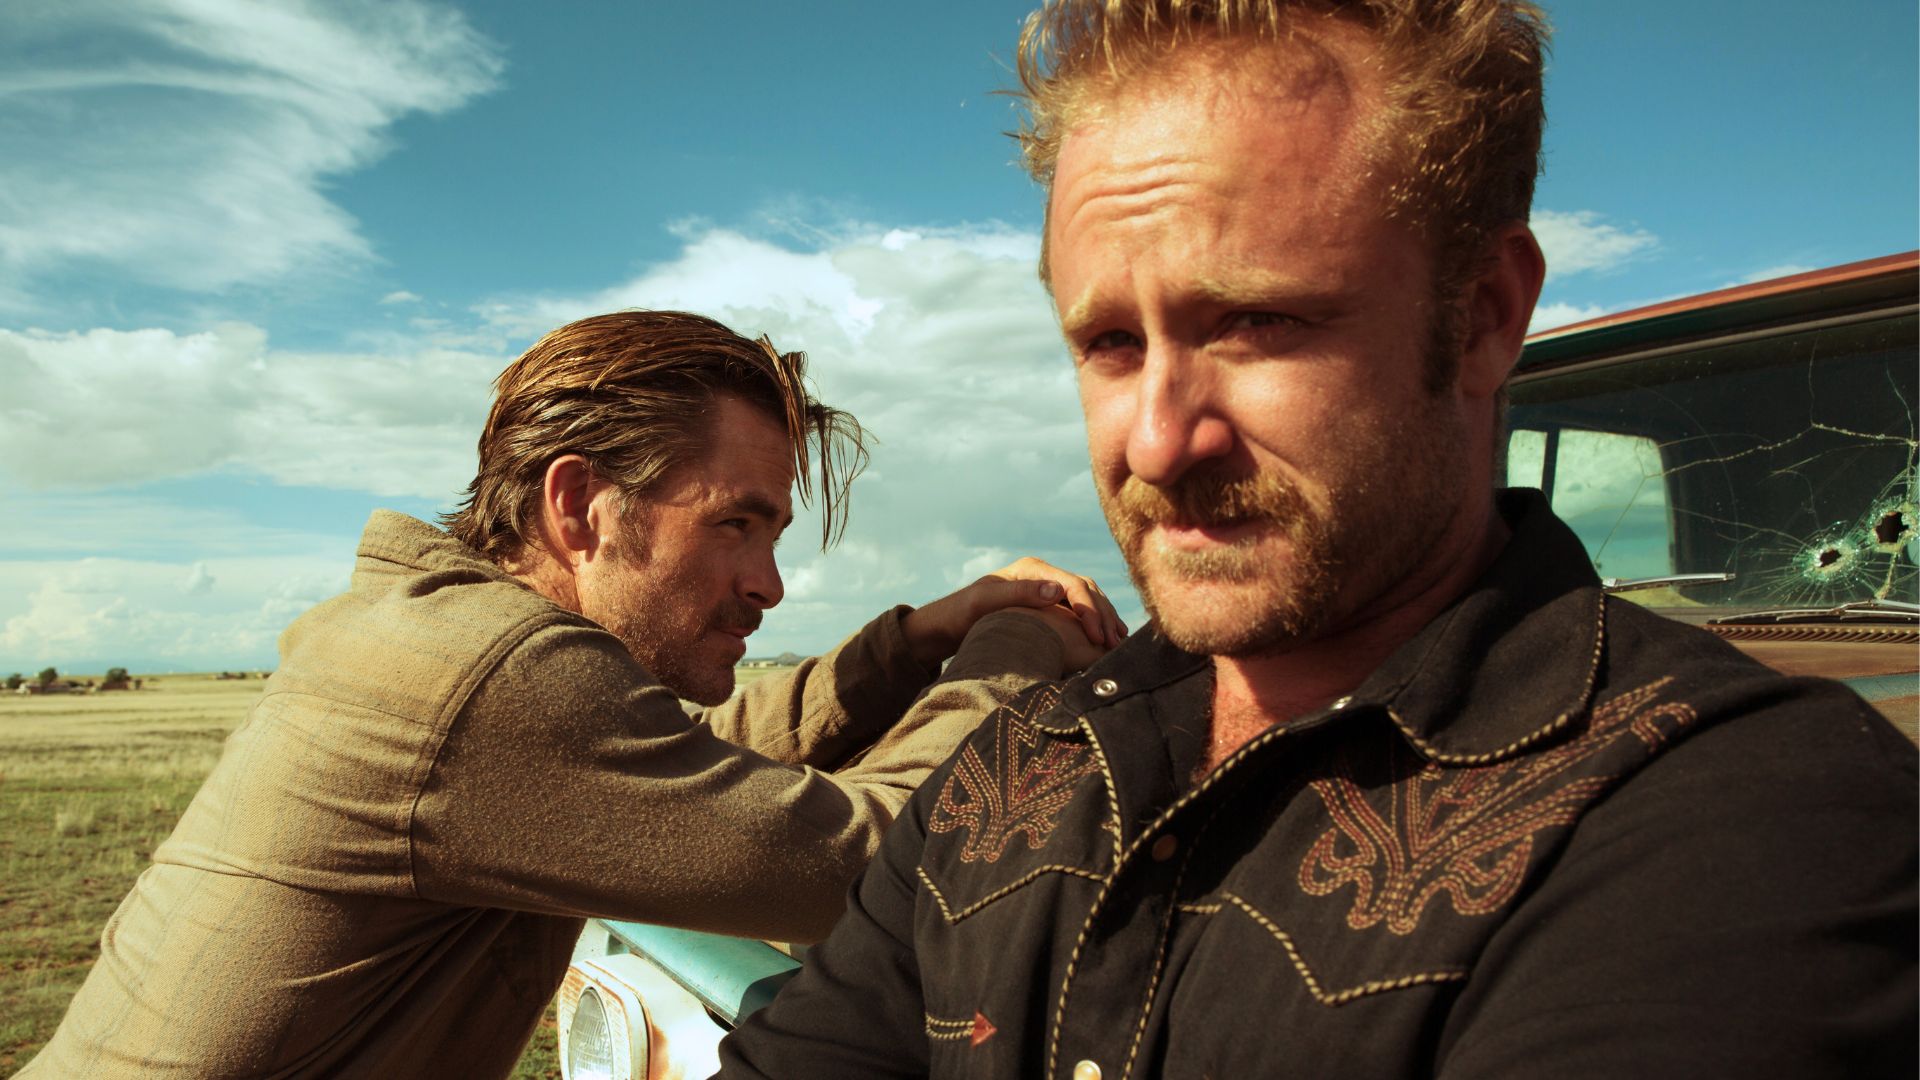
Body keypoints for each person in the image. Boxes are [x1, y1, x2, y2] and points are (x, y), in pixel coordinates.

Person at [717, 2, 1919, 1077]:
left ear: (1485, 316)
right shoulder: (1025, 763)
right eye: (1110, 345)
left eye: (1257, 321)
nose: (1155, 442)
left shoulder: (1731, 821)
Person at [24, 310, 1125, 1077]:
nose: (768, 583)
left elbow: (704, 755)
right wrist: (1017, 644)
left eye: (771, 532)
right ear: (581, 506)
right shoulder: (487, 678)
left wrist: (921, 635)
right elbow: (858, 858)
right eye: (733, 523)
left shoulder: (441, 641)